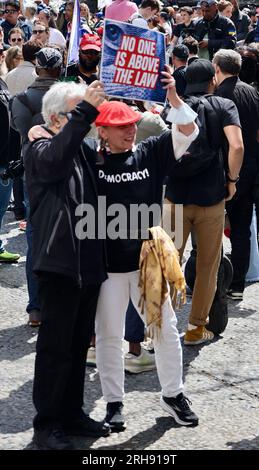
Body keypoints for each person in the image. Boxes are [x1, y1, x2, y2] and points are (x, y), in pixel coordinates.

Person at [29, 68, 200, 431]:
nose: (130, 129)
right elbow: (51, 149)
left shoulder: (151, 151)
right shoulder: (88, 155)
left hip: (145, 262)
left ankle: (174, 395)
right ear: (100, 131)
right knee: (106, 337)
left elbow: (188, 130)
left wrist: (172, 98)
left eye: (133, 123)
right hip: (103, 266)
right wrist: (41, 129)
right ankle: (113, 404)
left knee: (165, 330)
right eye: (120, 125)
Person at [24, 80, 110, 450]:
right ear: (57, 119)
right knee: (55, 349)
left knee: (78, 346)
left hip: (87, 263)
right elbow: (54, 160)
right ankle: (47, 424)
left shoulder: (80, 147)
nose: (88, 122)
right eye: (79, 115)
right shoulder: (40, 147)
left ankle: (72, 413)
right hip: (59, 264)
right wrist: (84, 114)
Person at [165, 58, 244, 345]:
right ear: (213, 80)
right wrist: (232, 180)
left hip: (175, 196)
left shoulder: (174, 108)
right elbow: (236, 145)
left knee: (168, 262)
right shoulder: (224, 106)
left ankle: (162, 325)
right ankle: (197, 327)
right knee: (209, 265)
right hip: (212, 197)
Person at [213, 48, 259, 300]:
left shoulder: (220, 95)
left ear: (217, 69)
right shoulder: (252, 92)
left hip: (227, 170)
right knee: (242, 229)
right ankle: (237, 285)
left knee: (212, 227)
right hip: (251, 168)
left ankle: (214, 282)